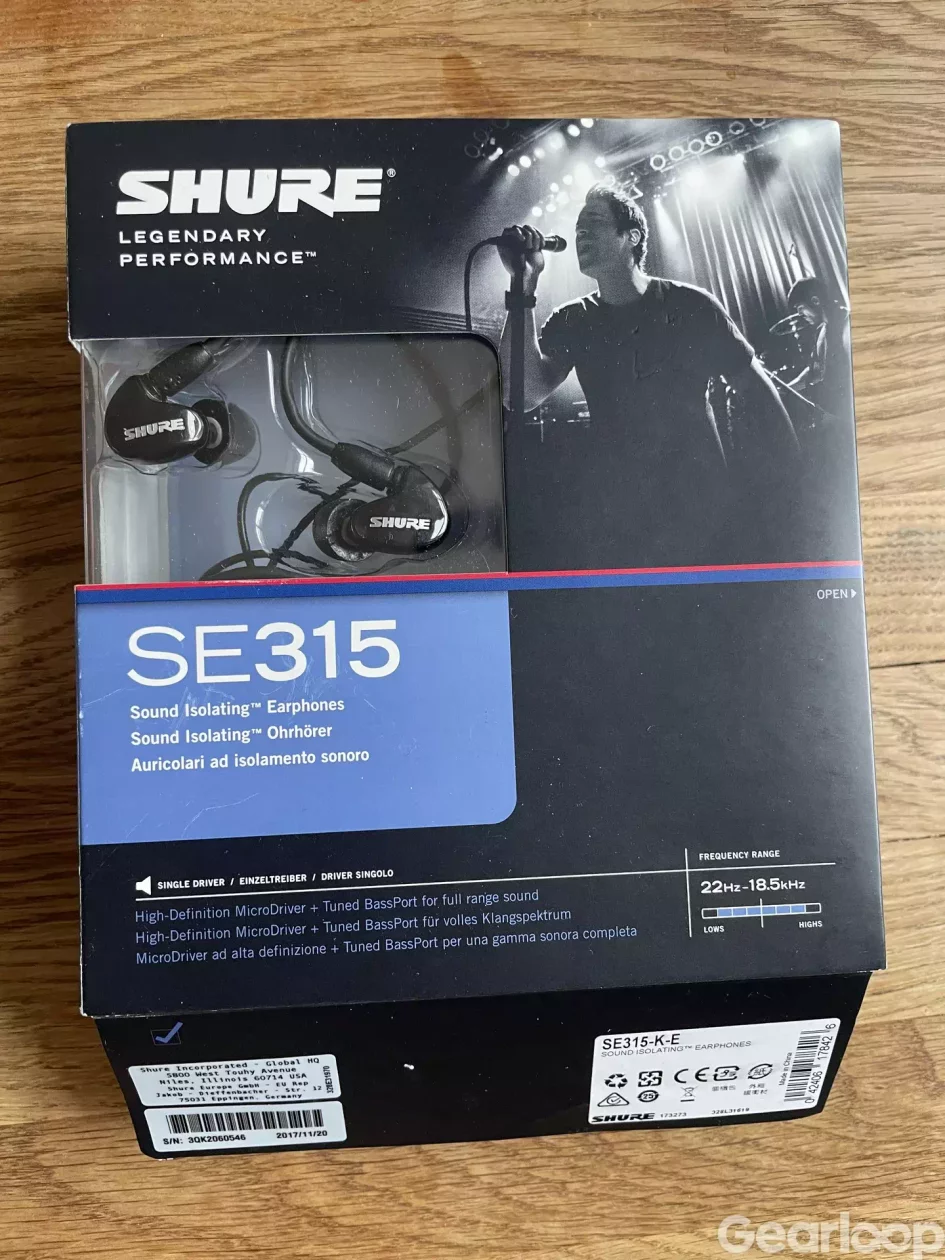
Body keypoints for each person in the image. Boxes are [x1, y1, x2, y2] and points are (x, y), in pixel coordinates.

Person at [496, 185, 799, 567]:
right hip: (619, 513)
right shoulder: (573, 319)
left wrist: (793, 488)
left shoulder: (691, 305)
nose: (581, 233)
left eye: (594, 222)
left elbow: (758, 393)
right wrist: (523, 286)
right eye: (578, 228)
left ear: (632, 237)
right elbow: (520, 395)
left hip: (702, 503)